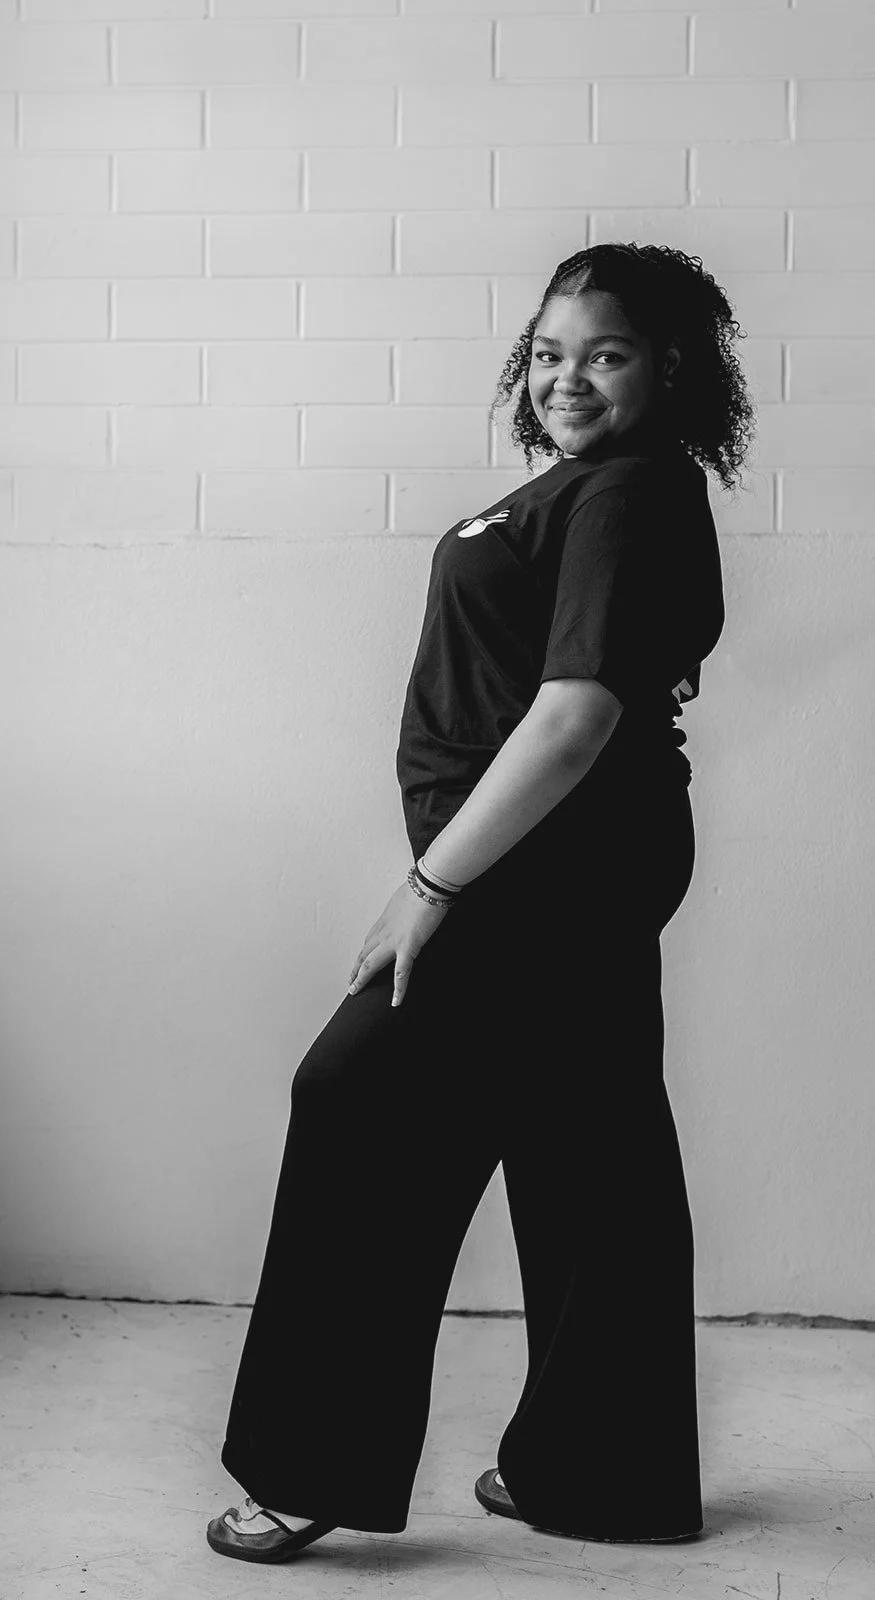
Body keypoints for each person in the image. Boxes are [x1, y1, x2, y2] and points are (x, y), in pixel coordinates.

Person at [207, 241, 755, 1565]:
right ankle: (604, 1470)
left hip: (540, 874)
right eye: (549, 351)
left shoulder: (624, 491)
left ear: (667, 367)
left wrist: (428, 883)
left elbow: (572, 717)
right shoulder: (600, 490)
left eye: (606, 353)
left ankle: (306, 1463)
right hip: (589, 866)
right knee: (590, 1146)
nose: (566, 377)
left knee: (356, 1102)